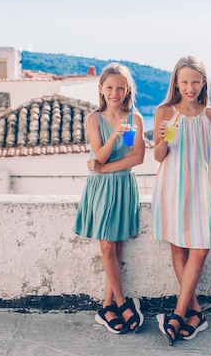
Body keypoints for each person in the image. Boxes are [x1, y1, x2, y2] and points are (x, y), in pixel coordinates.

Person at [152, 55, 211, 345]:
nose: (190, 87)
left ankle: (178, 314)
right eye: (184, 82)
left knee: (200, 250)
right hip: (172, 186)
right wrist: (163, 137)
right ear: (176, 83)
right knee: (178, 248)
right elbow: (158, 157)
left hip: (202, 188)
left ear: (204, 82)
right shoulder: (165, 112)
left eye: (195, 81)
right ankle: (194, 313)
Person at [74, 63, 146, 334]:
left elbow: (137, 157)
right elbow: (100, 155)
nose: (115, 92)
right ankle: (122, 302)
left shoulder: (135, 118)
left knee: (116, 249)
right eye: (109, 87)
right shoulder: (94, 118)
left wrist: (103, 167)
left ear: (127, 90)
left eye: (120, 87)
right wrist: (115, 136)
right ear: (100, 89)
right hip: (102, 188)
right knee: (107, 248)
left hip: (123, 184)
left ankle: (106, 306)